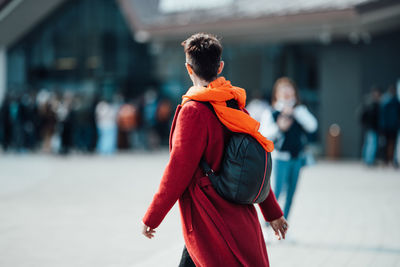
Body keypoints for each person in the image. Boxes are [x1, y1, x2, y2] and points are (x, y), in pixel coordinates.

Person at [141, 33, 287, 267]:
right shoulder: (232, 102)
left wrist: (153, 216)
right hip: (236, 213)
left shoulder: (193, 111)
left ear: (189, 69)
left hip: (209, 216)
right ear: (220, 66)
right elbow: (253, 161)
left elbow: (178, 170)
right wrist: (272, 211)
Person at [260, 77, 317, 220]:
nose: (286, 93)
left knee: (291, 194)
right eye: (283, 90)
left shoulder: (299, 111)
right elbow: (264, 135)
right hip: (280, 159)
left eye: (289, 89)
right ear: (277, 94)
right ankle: (268, 226)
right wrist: (279, 127)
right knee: (276, 193)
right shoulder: (272, 112)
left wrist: (295, 111)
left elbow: (312, 126)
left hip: (297, 158)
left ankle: (284, 227)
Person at [360, 87, 381, 166]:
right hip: (372, 127)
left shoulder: (368, 102)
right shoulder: (373, 104)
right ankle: (369, 161)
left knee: (368, 143)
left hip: (369, 127)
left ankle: (366, 159)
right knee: (372, 144)